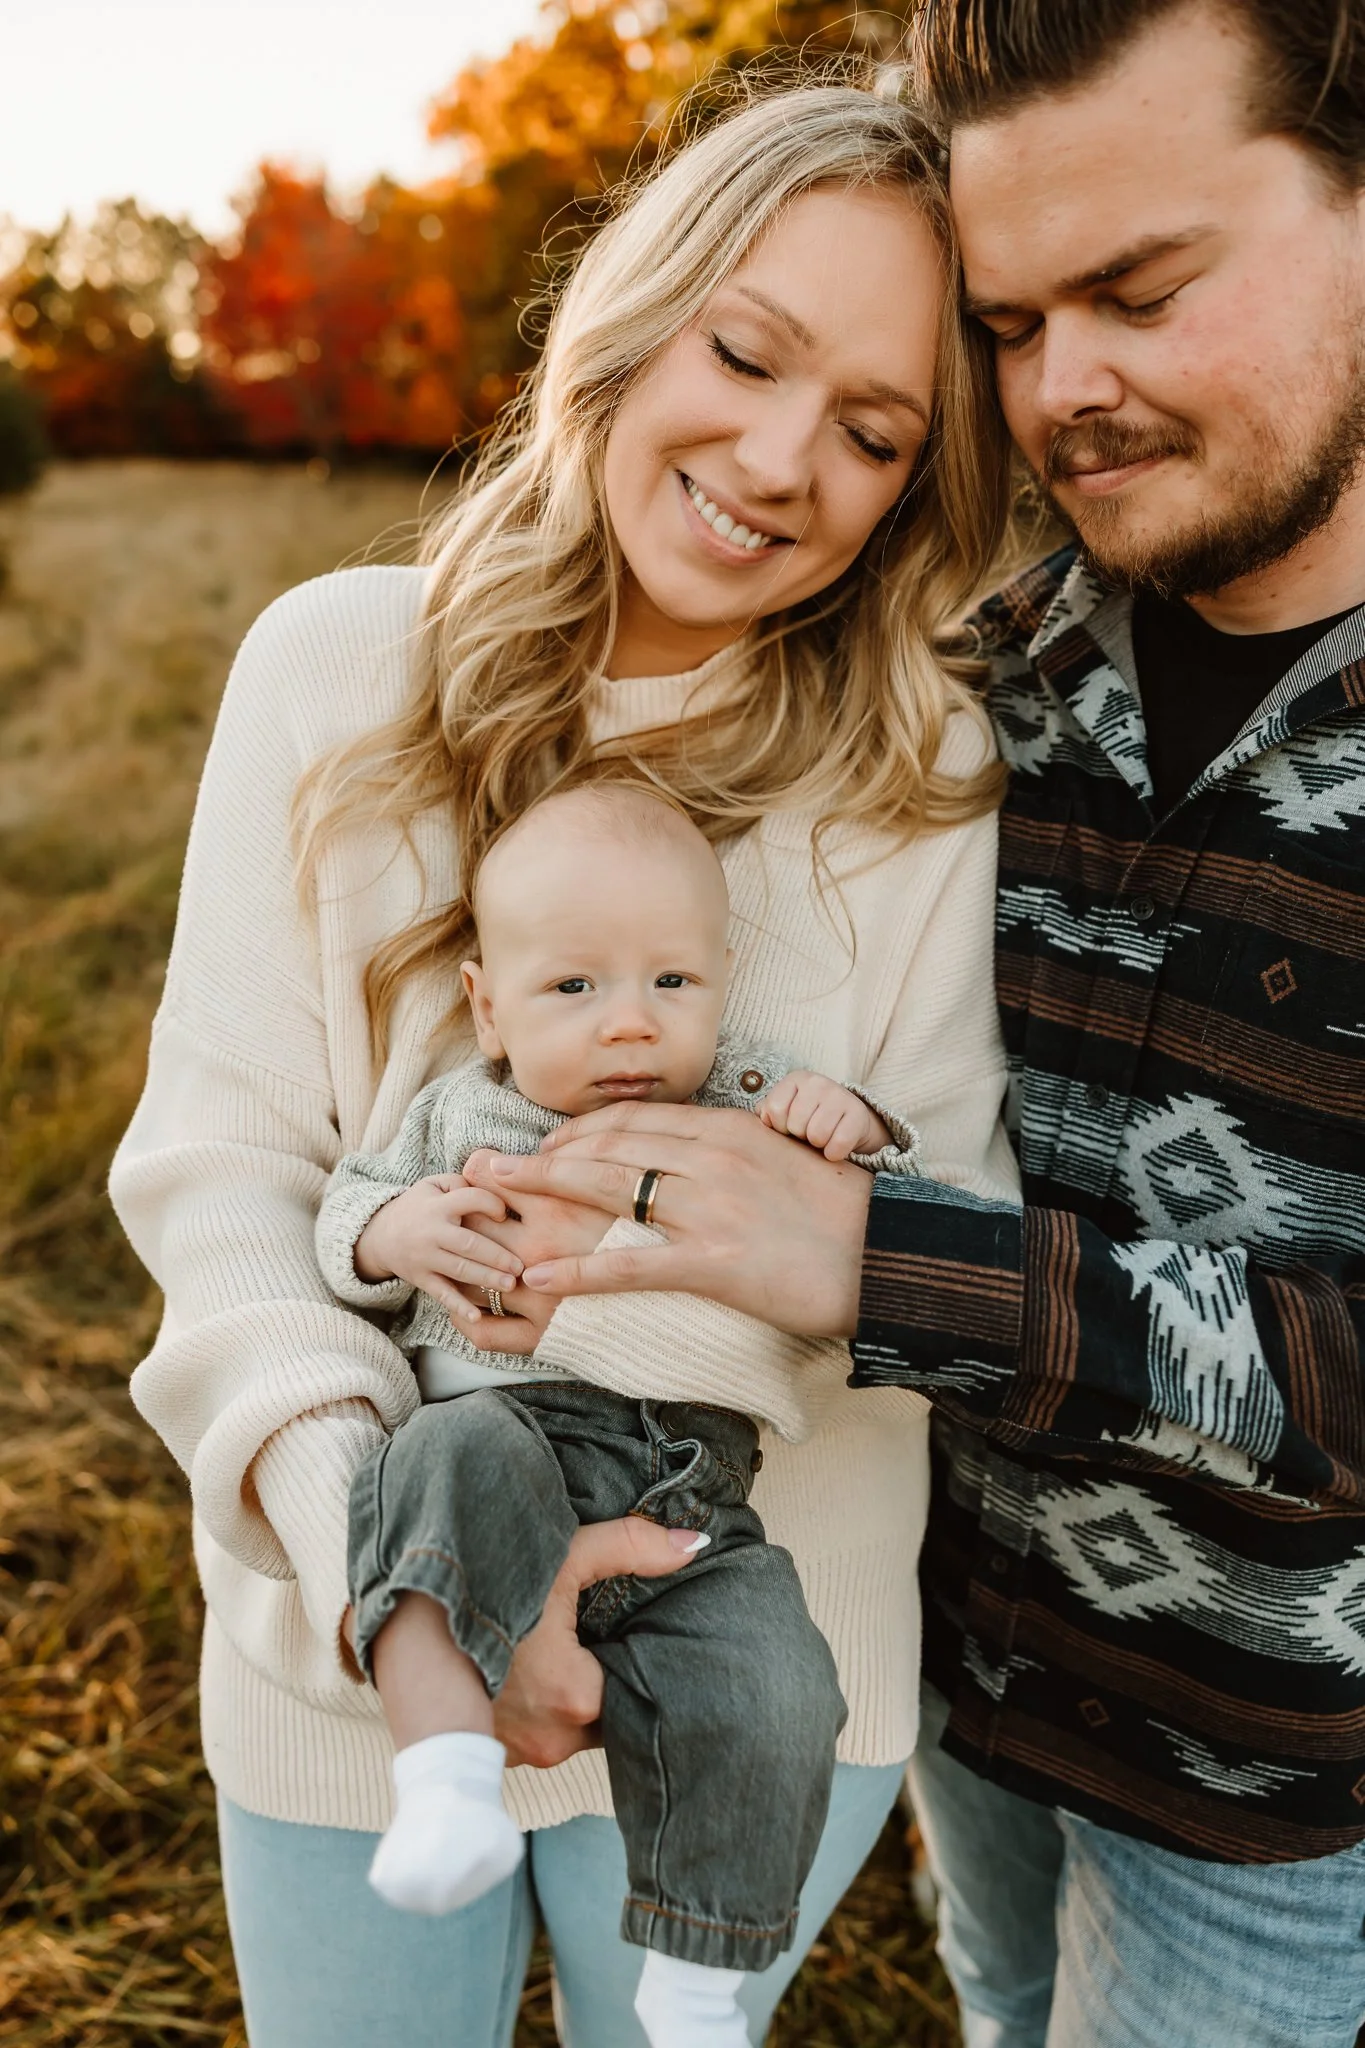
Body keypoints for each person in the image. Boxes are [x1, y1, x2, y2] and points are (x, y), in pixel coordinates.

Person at [486, 6, 1365, 2045]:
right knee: (994, 2001)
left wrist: (891, 1266)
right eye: (1008, 323)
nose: (1065, 390)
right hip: (953, 1680)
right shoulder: (980, 668)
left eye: (1140, 292)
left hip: (1262, 1799)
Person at [109, 80, 1017, 2048]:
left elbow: (935, 1241)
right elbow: (227, 1185)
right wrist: (428, 1586)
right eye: (744, 350)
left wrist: (639, 1504)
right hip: (358, 1651)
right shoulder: (331, 674)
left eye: (871, 432)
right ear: (635, 307)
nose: (779, 456)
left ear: (913, 486)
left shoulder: (916, 783)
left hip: (750, 1628)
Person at [319, 782, 919, 2048]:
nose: (630, 1025)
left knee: (781, 1685)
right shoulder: (454, 1113)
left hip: (691, 1497)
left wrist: (853, 1128)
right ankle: (443, 1776)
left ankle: (700, 1977)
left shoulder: (750, 1110)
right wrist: (393, 1226)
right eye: (574, 990)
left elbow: (885, 1251)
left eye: (672, 983)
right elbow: (341, 1218)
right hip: (500, 1452)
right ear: (488, 1003)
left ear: (725, 978)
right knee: (435, 1474)